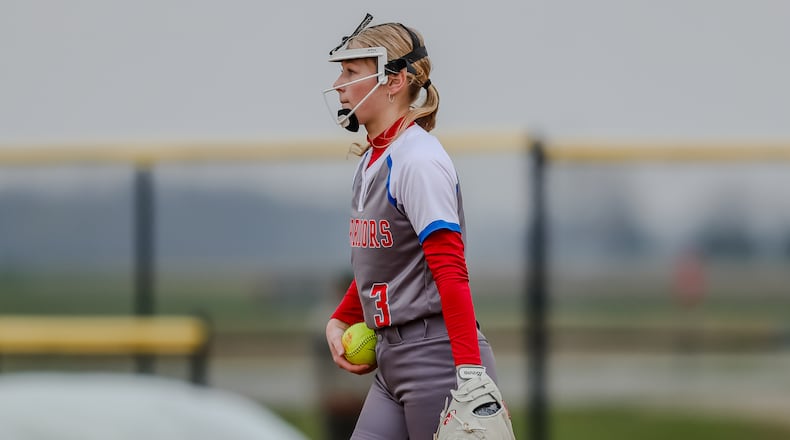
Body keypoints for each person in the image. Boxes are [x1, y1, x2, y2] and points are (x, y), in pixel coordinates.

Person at [322, 14, 513, 439]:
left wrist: (468, 373)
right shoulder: (374, 159)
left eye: (352, 71)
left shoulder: (418, 160)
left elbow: (449, 267)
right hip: (392, 359)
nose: (339, 83)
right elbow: (386, 262)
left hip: (439, 361)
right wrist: (342, 318)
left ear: (395, 80)